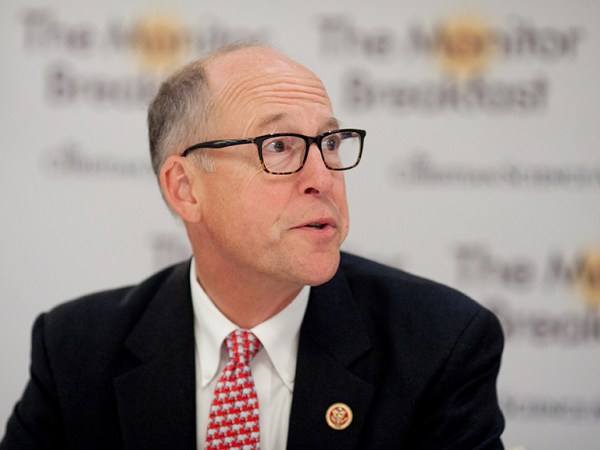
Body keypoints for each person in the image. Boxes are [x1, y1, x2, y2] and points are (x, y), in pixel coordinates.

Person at [0, 43, 505, 449]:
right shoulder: (75, 350)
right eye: (279, 146)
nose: (323, 178)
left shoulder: (439, 344)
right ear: (185, 188)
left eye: (330, 143)